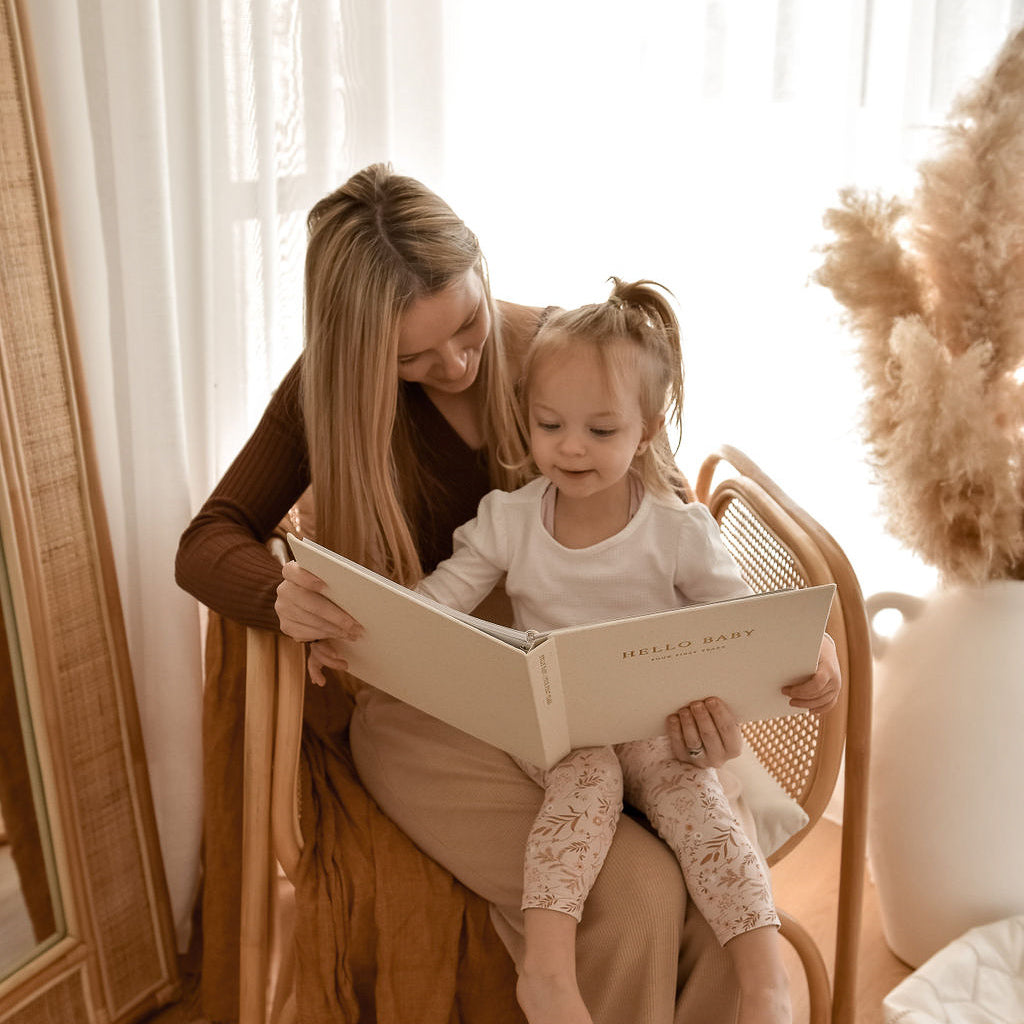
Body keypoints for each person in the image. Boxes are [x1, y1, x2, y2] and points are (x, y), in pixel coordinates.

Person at [176, 163, 841, 1024]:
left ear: (481, 271)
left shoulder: (559, 355)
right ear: (358, 349)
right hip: (436, 701)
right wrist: (280, 596)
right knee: (633, 900)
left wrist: (789, 652)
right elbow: (208, 540)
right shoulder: (324, 395)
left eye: (466, 327)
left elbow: (674, 525)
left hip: (612, 693)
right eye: (411, 357)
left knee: (714, 888)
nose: (453, 363)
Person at [405, 278, 790, 1024]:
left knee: (700, 804)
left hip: (653, 726)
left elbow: (745, 624)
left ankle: (765, 984)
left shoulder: (676, 531)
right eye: (549, 425)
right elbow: (438, 605)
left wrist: (804, 661)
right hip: (554, 729)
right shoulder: (509, 520)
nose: (570, 447)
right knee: (586, 777)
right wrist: (371, 624)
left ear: (647, 432)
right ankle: (547, 975)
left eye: (601, 432)